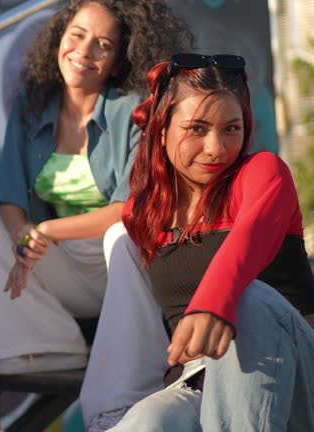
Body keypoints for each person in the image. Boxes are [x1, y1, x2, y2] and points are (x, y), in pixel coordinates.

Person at [0, 0, 191, 377]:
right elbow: (8, 193)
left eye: (103, 44)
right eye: (77, 35)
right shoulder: (31, 106)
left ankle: (138, 358)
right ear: (58, 39)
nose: (84, 51)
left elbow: (127, 209)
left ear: (118, 61)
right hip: (59, 260)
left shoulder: (132, 110)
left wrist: (46, 231)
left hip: (120, 266)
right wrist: (23, 235)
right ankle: (51, 343)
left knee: (120, 235)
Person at [104, 54, 314, 431]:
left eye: (231, 129)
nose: (217, 148)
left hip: (298, 377)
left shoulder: (263, 172)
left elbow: (252, 235)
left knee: (250, 299)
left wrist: (214, 303)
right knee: (149, 420)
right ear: (162, 130)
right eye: (197, 129)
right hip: (201, 384)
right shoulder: (143, 213)